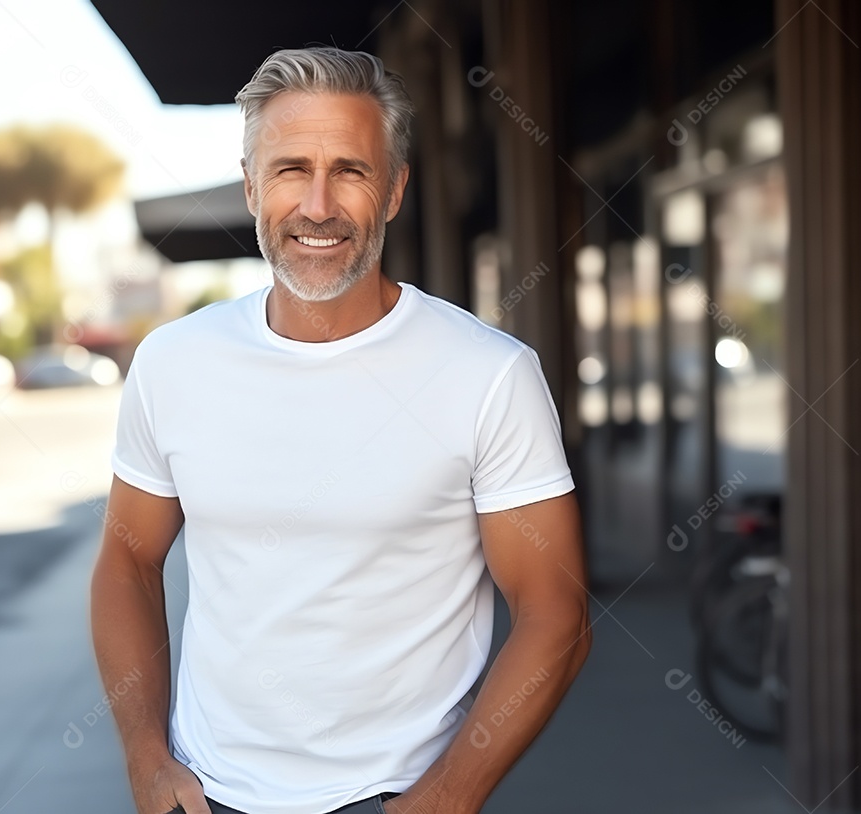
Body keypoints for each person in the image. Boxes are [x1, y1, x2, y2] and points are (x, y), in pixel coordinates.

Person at [90, 46, 591, 814]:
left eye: (350, 171)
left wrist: (449, 798)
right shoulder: (173, 362)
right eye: (291, 169)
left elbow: (556, 613)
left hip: (393, 797)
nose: (318, 205)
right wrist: (145, 761)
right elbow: (127, 557)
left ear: (393, 191)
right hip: (207, 796)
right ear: (252, 184)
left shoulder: (488, 374)